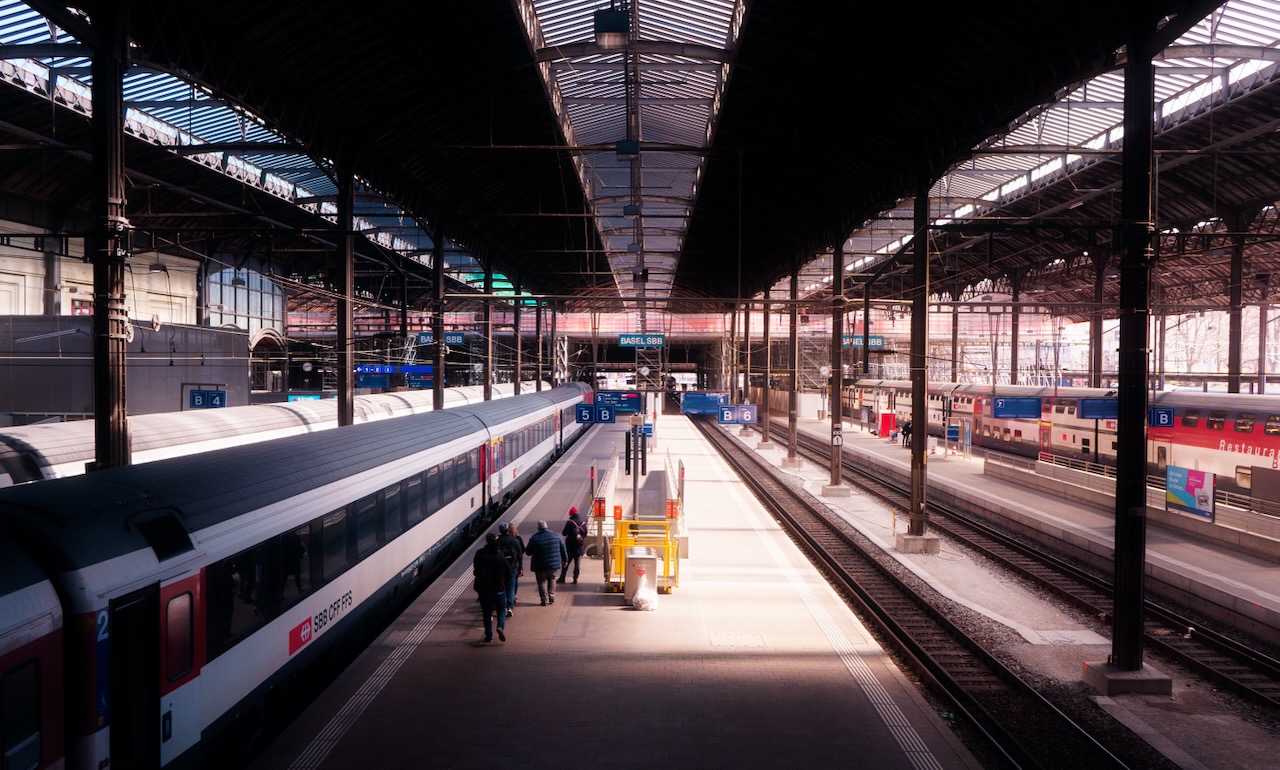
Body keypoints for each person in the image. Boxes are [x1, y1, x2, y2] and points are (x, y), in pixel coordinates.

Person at [472, 532, 510, 642]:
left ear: (486, 541)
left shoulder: (480, 554)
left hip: (485, 591)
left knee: (487, 613)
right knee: (501, 610)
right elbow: (509, 574)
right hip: (499, 589)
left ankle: (489, 635)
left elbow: (476, 570)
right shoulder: (501, 556)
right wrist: (504, 585)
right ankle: (500, 627)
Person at [525, 519, 567, 605]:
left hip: (539, 564)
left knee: (541, 581)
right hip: (553, 564)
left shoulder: (534, 538)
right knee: (552, 578)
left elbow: (528, 552)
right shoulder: (556, 536)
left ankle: (544, 599)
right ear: (546, 526)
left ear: (538, 528)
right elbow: (563, 548)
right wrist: (565, 559)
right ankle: (551, 595)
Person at [496, 521, 524, 616]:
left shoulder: (497, 542)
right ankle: (510, 607)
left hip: (500, 568)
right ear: (508, 530)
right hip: (512, 567)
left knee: (501, 587)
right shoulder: (514, 541)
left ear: (500, 530)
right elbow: (520, 555)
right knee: (511, 587)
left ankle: (502, 606)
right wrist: (520, 567)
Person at [558, 506, 588, 584]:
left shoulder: (570, 522)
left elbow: (564, 533)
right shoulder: (583, 523)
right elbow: (585, 533)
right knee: (577, 564)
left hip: (570, 547)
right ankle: (575, 579)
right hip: (579, 546)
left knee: (566, 562)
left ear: (571, 514)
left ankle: (562, 577)